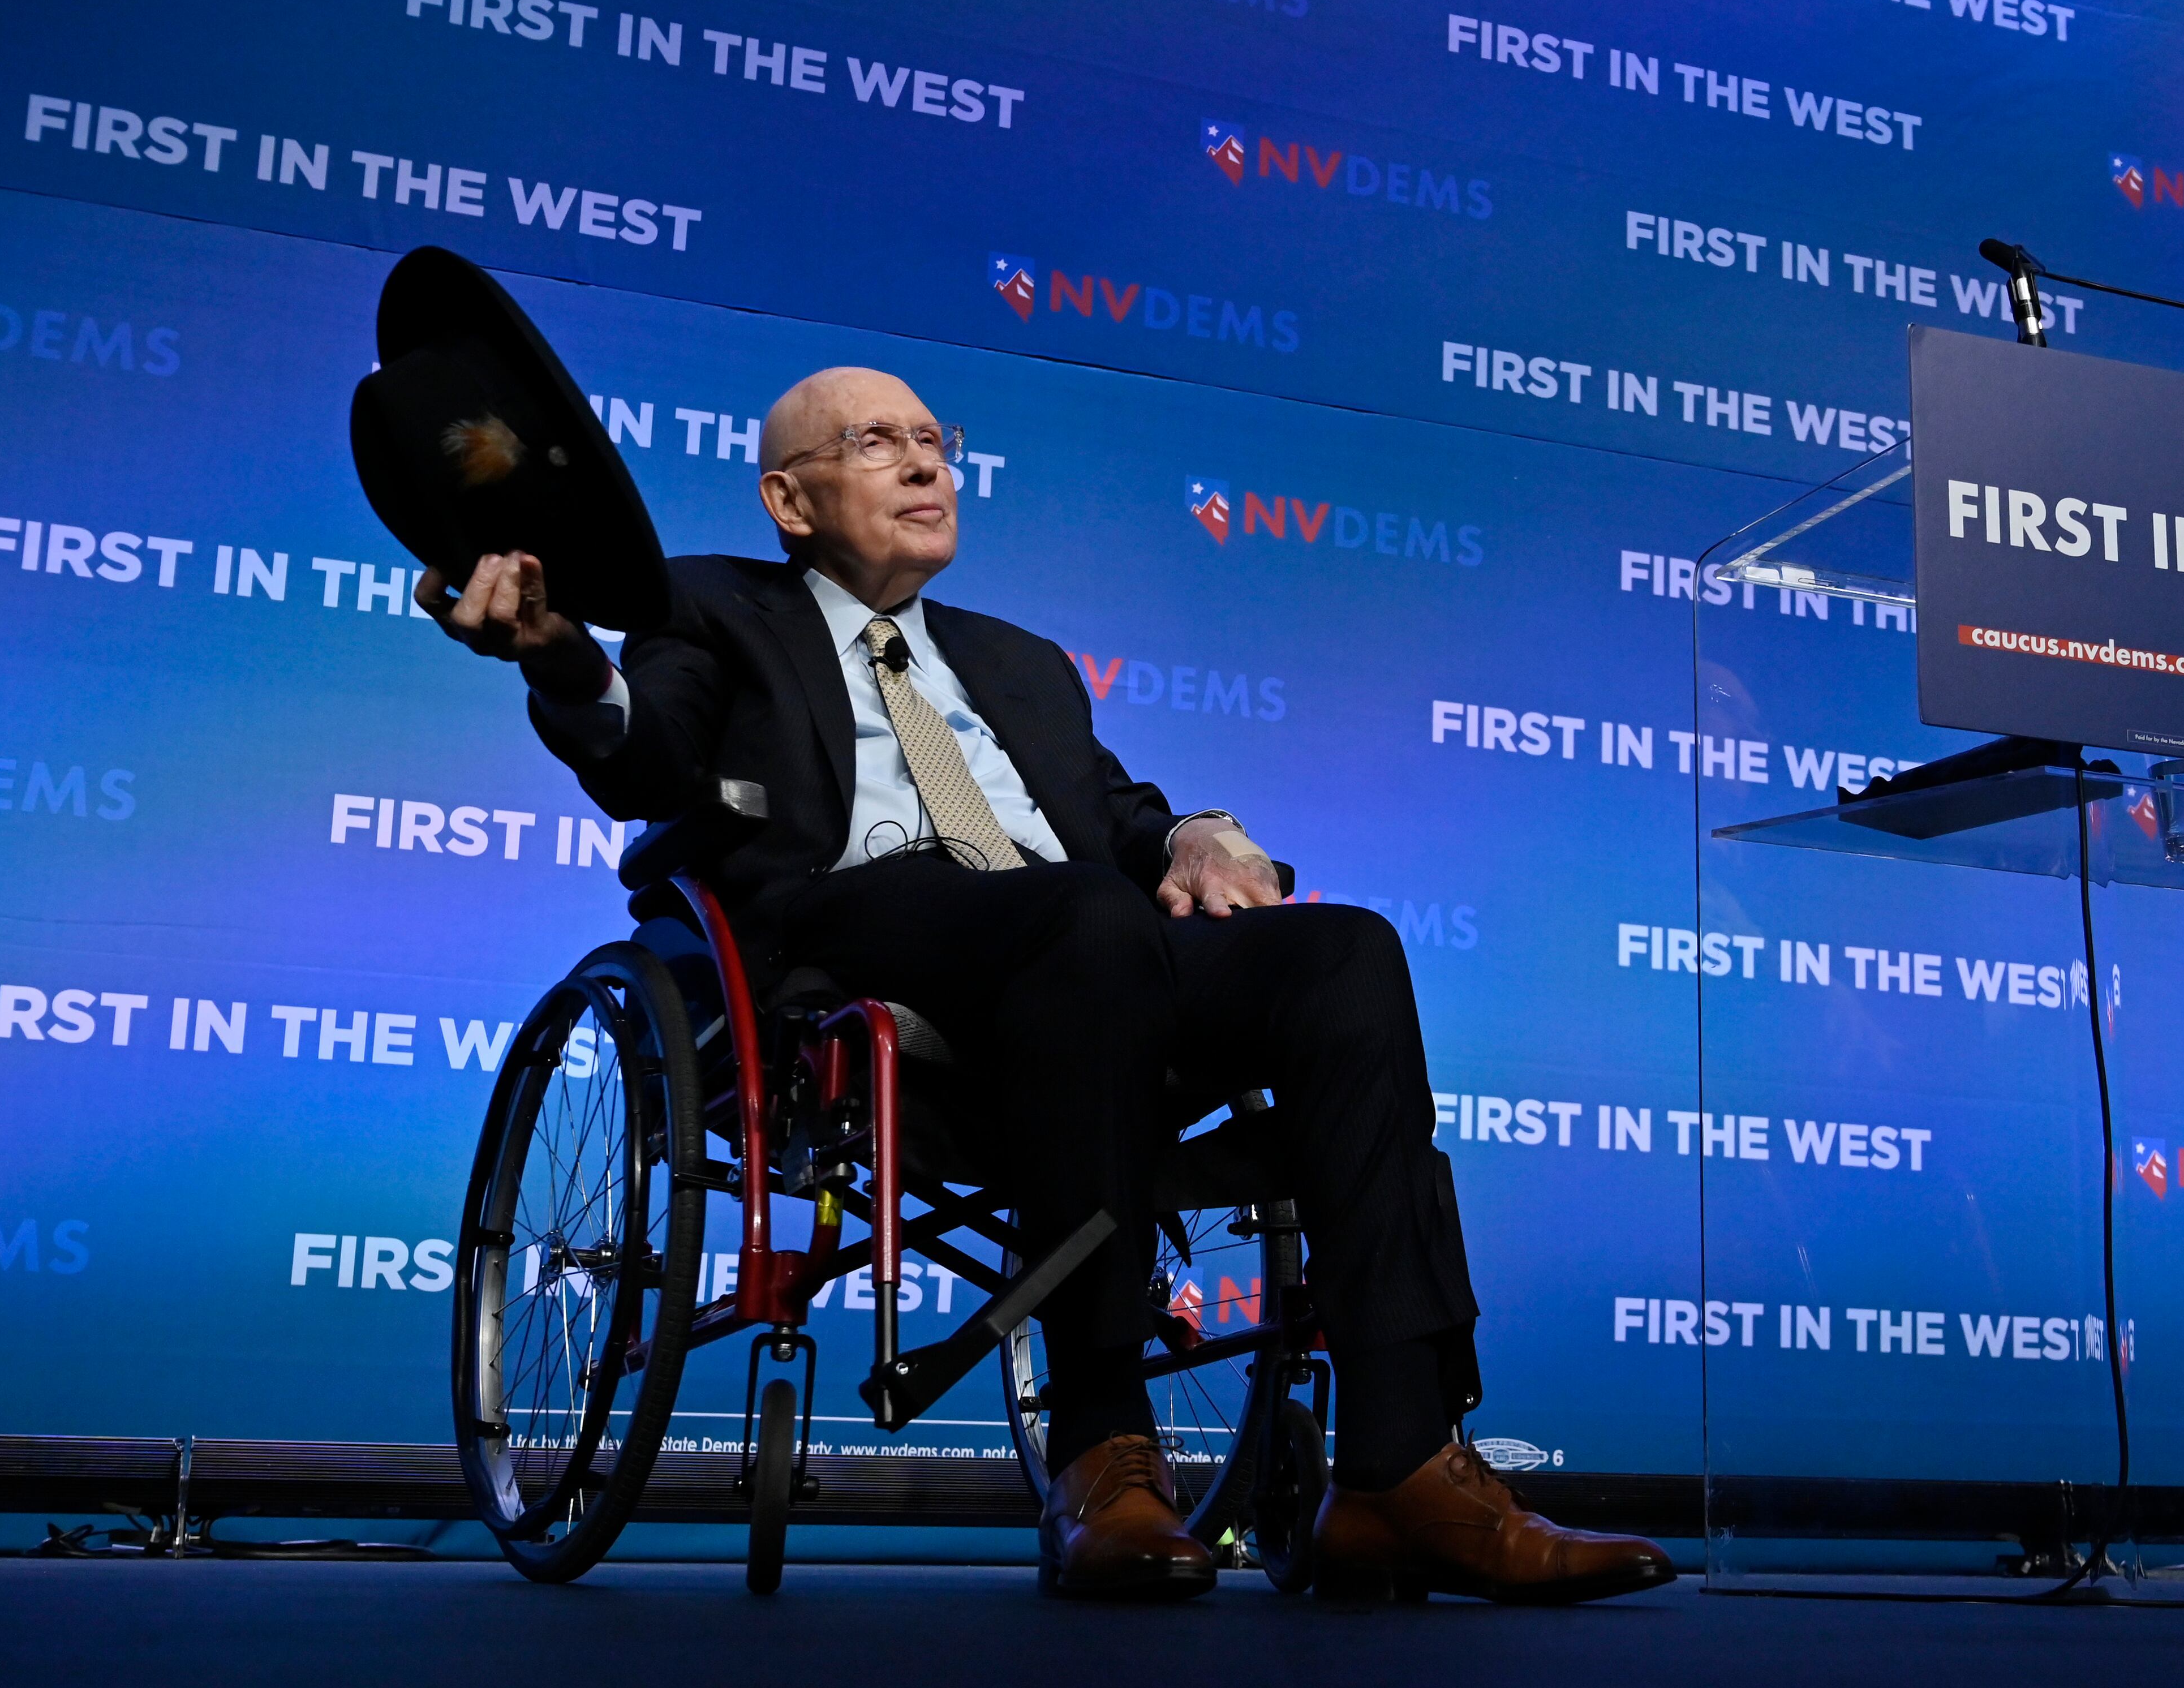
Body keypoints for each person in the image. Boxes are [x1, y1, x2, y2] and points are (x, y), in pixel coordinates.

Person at [428, 365, 1673, 1607]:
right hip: (858, 931)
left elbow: (1120, 819)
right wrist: (562, 662)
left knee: (1339, 948)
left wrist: (1198, 832)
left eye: (934, 440)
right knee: (1084, 915)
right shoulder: (707, 604)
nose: (926, 464)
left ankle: (1401, 1467)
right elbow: (647, 756)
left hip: (1082, 952)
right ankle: (1099, 1443)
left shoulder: (1019, 662)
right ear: (789, 500)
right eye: (877, 443)